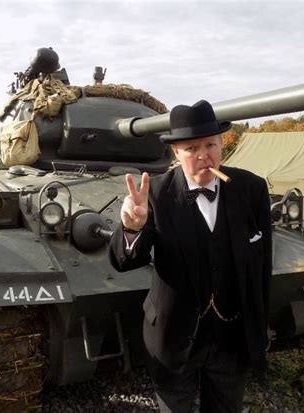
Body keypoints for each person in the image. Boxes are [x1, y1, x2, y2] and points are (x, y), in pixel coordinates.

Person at [109, 100, 272, 413]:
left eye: (210, 144)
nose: (204, 156)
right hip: (174, 337)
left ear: (221, 144)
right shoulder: (155, 193)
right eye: (191, 148)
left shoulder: (251, 190)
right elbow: (125, 261)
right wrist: (132, 229)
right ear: (176, 153)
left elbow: (263, 267)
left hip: (231, 338)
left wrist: (259, 324)